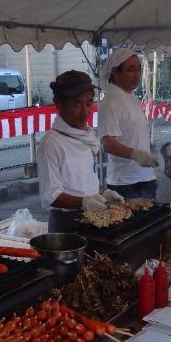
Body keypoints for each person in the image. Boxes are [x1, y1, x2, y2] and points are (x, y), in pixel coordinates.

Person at [37, 70, 124, 232]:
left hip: (93, 219)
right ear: (58, 103)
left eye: (89, 103)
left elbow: (86, 182)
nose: (85, 112)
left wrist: (104, 193)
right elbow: (51, 196)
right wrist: (84, 202)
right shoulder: (51, 144)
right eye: (77, 104)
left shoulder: (87, 137)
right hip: (67, 226)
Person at [98, 48, 158, 200]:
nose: (137, 75)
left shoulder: (132, 97)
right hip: (124, 183)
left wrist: (151, 172)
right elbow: (108, 143)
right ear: (115, 72)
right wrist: (135, 154)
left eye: (139, 69)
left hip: (145, 178)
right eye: (131, 70)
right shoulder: (110, 102)